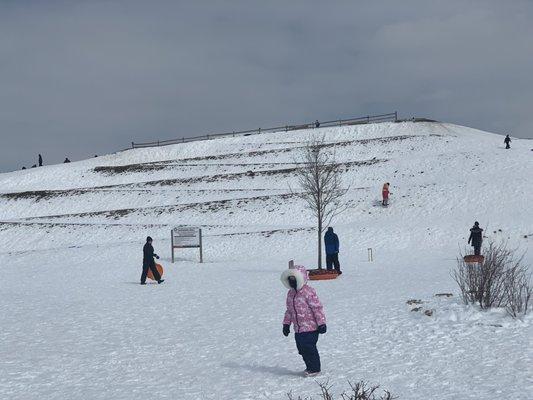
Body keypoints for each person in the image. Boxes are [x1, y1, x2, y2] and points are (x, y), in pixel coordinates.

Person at [281, 265, 327, 377]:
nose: (292, 282)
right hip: (298, 328)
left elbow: (317, 308)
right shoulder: (290, 294)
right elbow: (289, 310)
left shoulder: (308, 292)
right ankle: (309, 366)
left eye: (294, 279)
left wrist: (321, 323)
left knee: (309, 347)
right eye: (290, 280)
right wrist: (286, 324)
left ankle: (315, 368)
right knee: (301, 348)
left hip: (311, 327)